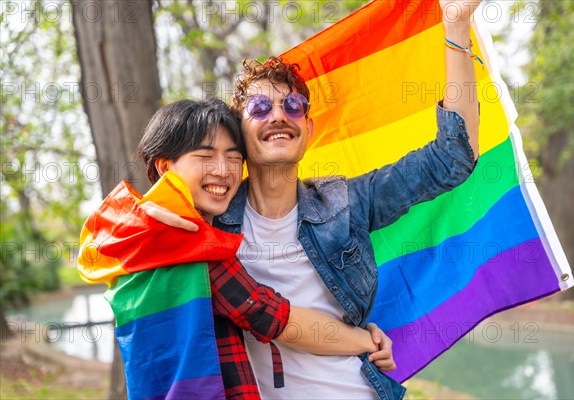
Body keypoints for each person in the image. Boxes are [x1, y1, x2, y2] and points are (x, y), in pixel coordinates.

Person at [148, 1, 481, 398]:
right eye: (259, 107)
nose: (278, 115)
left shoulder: (347, 201)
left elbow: (453, 157)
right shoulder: (208, 223)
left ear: (307, 127)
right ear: (240, 129)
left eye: (292, 106)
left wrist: (456, 24)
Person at [79, 98, 395, 400]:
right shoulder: (182, 241)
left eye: (233, 157)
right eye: (205, 156)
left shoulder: (134, 232)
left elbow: (96, 244)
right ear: (164, 167)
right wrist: (365, 340)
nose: (224, 170)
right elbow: (270, 315)